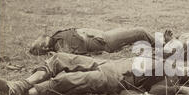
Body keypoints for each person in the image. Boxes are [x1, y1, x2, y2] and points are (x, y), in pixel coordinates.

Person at [0, 52, 189, 95]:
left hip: (114, 80)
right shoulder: (159, 58)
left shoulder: (170, 80)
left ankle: (23, 92)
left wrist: (180, 88)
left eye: (186, 71)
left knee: (66, 81)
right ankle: (22, 83)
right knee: (60, 58)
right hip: (108, 64)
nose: (182, 67)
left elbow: (155, 93)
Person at [29, 27, 157, 56]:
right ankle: (163, 46)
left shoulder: (57, 37)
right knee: (140, 32)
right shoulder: (61, 45)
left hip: (103, 35)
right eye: (41, 42)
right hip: (106, 41)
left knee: (135, 33)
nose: (43, 38)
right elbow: (80, 55)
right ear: (44, 47)